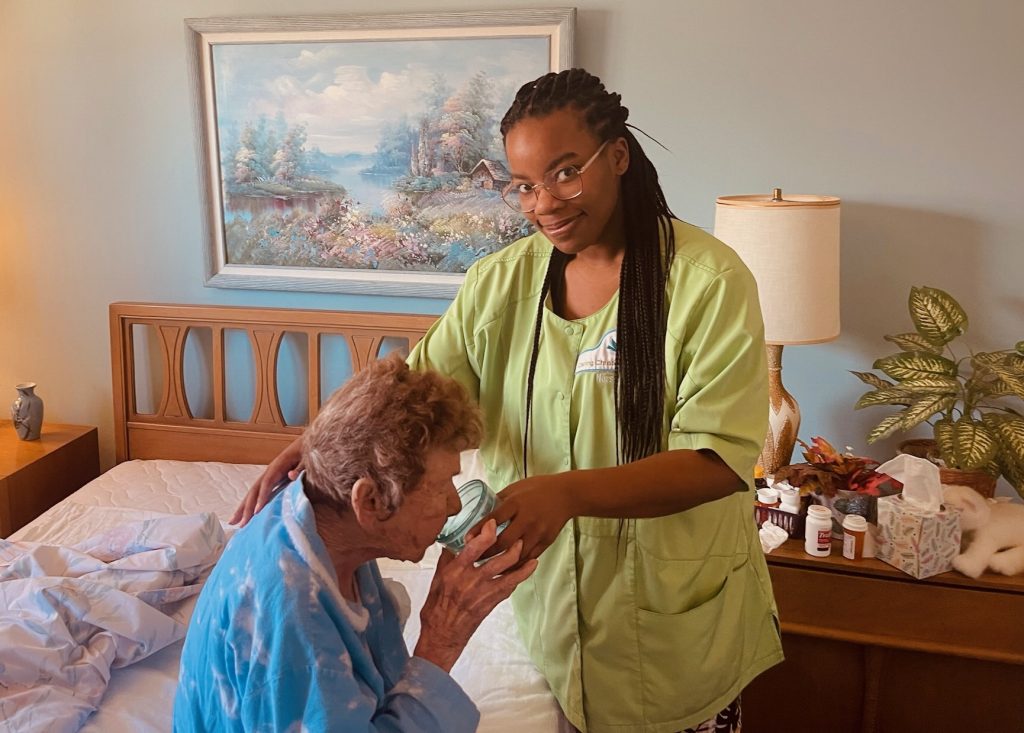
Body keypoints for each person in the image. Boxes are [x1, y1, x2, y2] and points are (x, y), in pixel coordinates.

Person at [234, 68, 782, 733]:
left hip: (677, 628)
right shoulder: (501, 283)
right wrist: (313, 443)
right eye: (524, 185)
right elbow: (412, 395)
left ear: (618, 156)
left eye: (566, 172)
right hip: (559, 621)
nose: (544, 202)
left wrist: (566, 492)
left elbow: (718, 460)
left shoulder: (708, 282)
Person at [176, 354, 537, 732]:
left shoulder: (316, 511)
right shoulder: (293, 617)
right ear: (369, 502)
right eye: (440, 485)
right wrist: (441, 638)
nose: (455, 504)